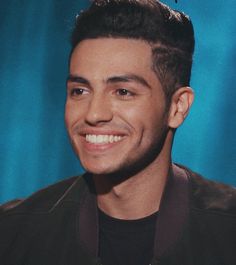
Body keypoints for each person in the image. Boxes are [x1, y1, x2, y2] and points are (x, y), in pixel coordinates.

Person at [0, 0, 235, 264]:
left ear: (177, 107)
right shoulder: (12, 234)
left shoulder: (228, 232)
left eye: (123, 92)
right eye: (80, 91)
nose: (93, 114)